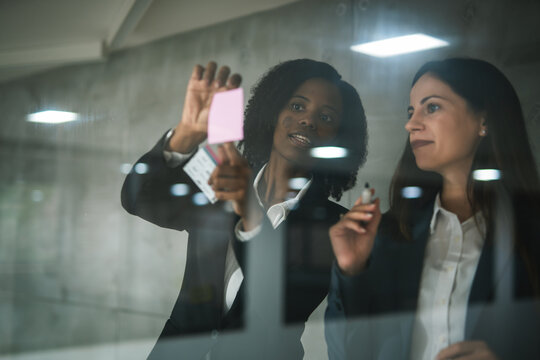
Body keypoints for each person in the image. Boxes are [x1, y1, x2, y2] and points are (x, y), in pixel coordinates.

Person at [121, 59, 368, 359]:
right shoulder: (221, 179)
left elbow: (274, 301)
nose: (308, 121)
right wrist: (186, 135)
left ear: (339, 137)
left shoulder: (337, 227)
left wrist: (247, 208)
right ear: (274, 111)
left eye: (326, 117)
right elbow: (138, 199)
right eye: (297, 106)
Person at [325, 58, 540, 360]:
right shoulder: (386, 235)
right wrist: (351, 271)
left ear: (484, 121)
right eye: (411, 111)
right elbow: (346, 354)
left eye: (432, 107)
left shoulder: (530, 231)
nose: (410, 124)